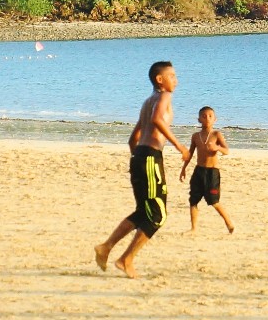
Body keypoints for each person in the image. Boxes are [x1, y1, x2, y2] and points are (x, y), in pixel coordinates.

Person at [94, 61, 190, 277]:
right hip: (148, 158)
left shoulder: (148, 101)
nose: (176, 80)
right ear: (160, 80)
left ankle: (106, 247)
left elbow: (133, 137)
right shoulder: (164, 96)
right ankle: (125, 259)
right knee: (158, 215)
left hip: (140, 157)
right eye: (172, 76)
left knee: (143, 212)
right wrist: (178, 146)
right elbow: (157, 121)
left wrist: (137, 158)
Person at [182, 105, 235, 234]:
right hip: (199, 171)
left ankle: (229, 223)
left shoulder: (216, 134)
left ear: (215, 119)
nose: (207, 118)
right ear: (199, 119)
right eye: (204, 116)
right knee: (193, 200)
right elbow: (190, 153)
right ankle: (193, 228)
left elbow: (226, 151)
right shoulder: (196, 136)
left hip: (212, 172)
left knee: (213, 201)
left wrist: (217, 148)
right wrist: (183, 169)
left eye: (210, 116)